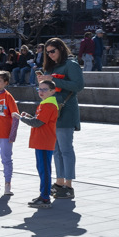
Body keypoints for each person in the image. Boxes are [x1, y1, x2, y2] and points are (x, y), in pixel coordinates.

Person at [40, 37, 84, 200]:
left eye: (53, 51)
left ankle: (69, 185)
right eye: (47, 52)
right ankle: (59, 182)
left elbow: (79, 85)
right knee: (56, 150)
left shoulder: (71, 64)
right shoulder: (50, 66)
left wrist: (55, 80)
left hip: (65, 110)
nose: (50, 54)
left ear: (61, 49)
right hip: (52, 111)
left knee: (65, 149)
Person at [19, 80, 60, 209]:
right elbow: (40, 120)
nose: (41, 92)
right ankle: (43, 194)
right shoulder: (45, 103)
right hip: (41, 141)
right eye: (39, 89)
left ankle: (45, 198)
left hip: (44, 141)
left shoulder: (49, 105)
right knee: (42, 169)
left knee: (44, 171)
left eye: (44, 89)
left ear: (52, 91)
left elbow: (37, 123)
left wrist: (20, 118)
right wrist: (30, 116)